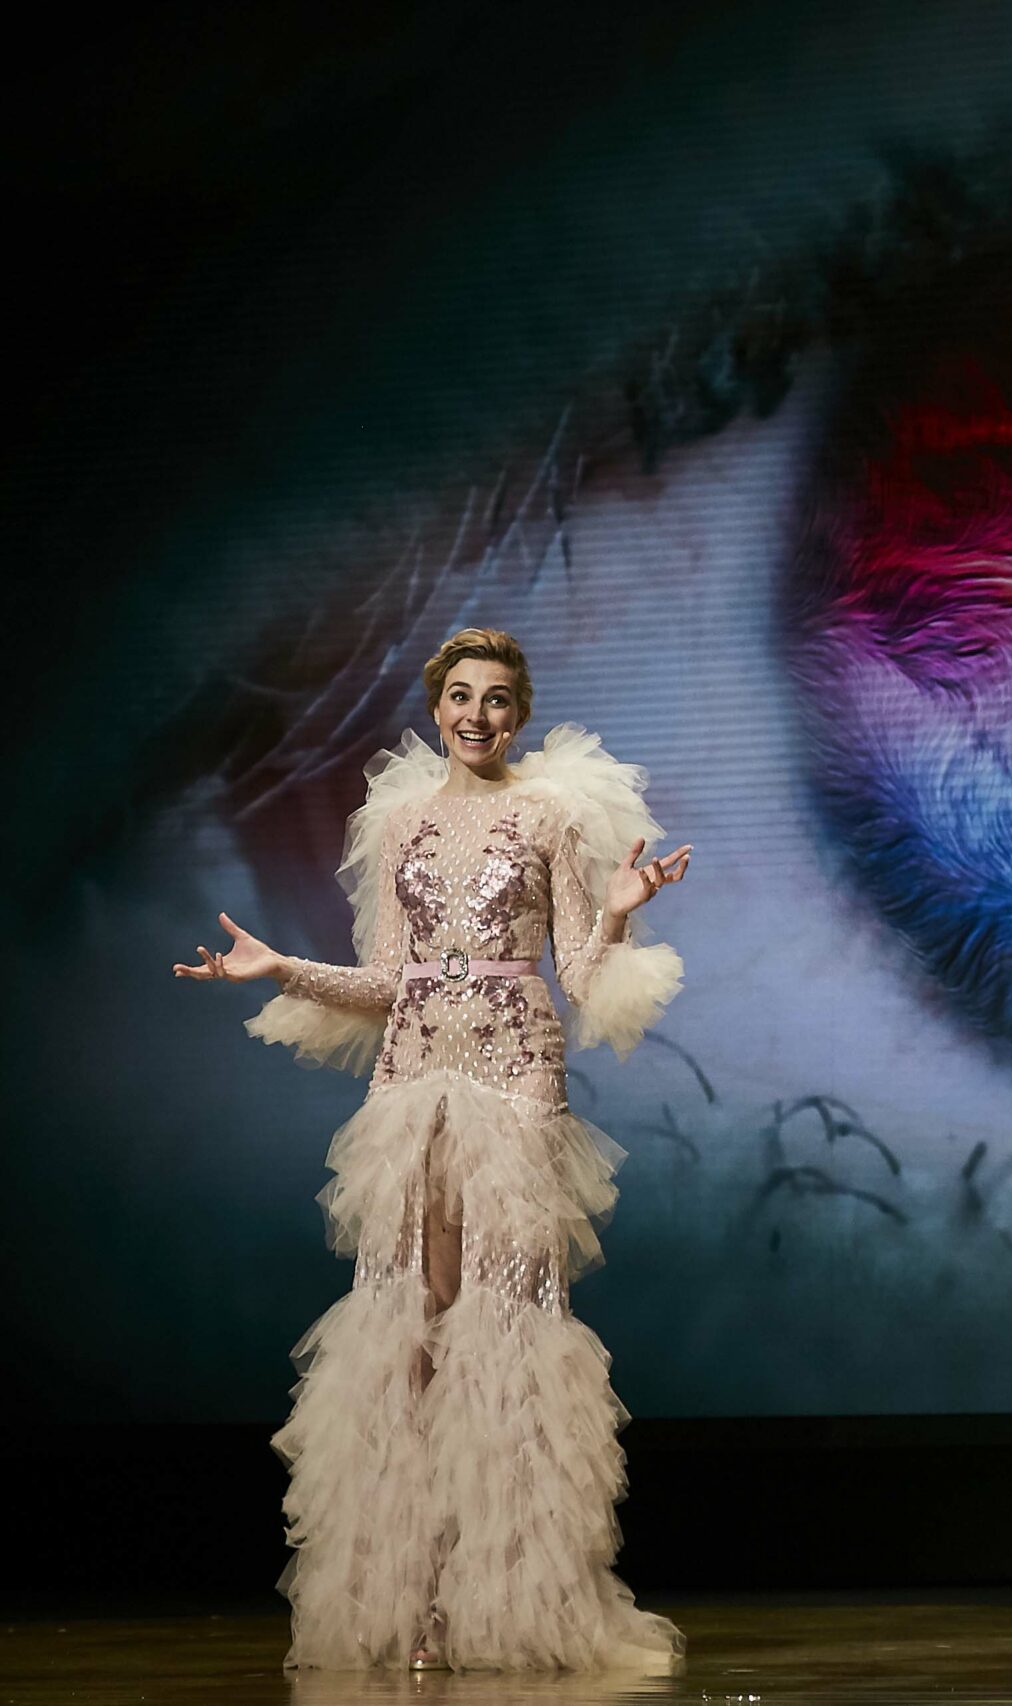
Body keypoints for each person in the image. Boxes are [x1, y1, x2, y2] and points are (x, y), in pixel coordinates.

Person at [174, 627, 693, 1673]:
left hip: (513, 1074)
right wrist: (282, 968)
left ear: (520, 712)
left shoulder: (550, 815)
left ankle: (511, 1604)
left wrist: (617, 916)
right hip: (413, 1076)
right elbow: (386, 981)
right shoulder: (400, 820)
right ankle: (415, 1602)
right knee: (411, 1327)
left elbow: (581, 978)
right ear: (436, 705)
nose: (477, 714)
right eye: (461, 695)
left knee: (505, 1323)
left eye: (497, 698)